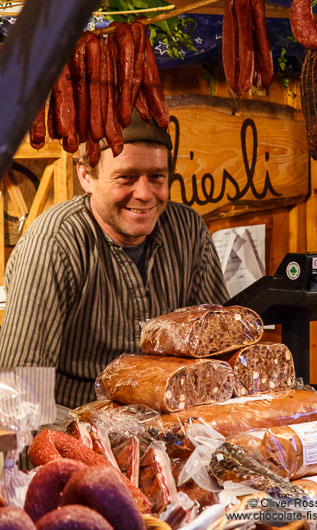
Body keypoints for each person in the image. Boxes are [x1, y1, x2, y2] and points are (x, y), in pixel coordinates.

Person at [0, 112, 229, 412]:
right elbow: (20, 387)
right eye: (127, 178)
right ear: (86, 177)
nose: (145, 194)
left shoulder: (189, 230)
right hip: (75, 429)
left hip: (173, 424)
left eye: (157, 177)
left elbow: (219, 348)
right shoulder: (54, 243)